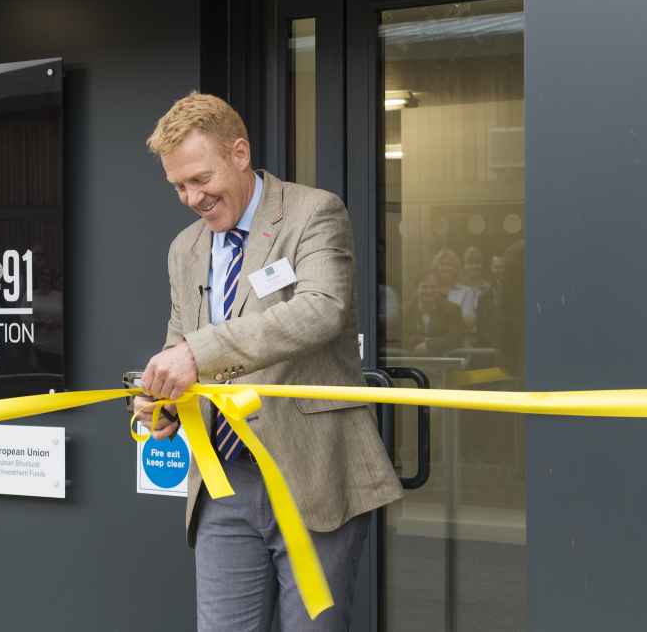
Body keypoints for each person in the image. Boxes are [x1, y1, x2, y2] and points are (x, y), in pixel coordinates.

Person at [133, 93, 402, 631]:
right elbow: (177, 343)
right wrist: (160, 400)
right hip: (223, 485)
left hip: (313, 475)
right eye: (179, 186)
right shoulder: (184, 249)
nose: (191, 198)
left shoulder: (313, 212)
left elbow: (321, 310)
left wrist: (197, 353)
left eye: (199, 179)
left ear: (239, 152)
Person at [403, 269, 466, 356]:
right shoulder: (406, 310)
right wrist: (416, 341)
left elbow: (456, 337)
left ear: (439, 289)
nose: (429, 291)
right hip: (412, 360)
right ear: (416, 288)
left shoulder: (453, 309)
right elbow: (399, 336)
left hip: (444, 362)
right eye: (424, 287)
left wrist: (429, 344)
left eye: (433, 287)